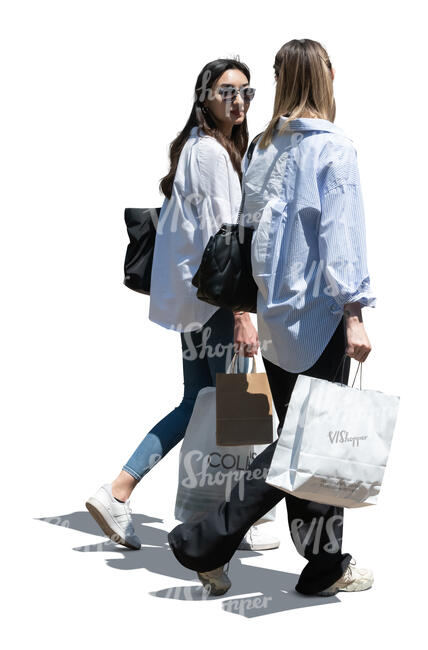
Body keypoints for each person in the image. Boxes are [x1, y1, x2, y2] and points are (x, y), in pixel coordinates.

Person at [168, 38, 377, 597]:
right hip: (319, 318)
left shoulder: (264, 146)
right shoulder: (336, 148)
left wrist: (248, 310)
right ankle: (205, 543)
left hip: (275, 317)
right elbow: (343, 240)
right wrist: (354, 312)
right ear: (325, 75)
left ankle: (324, 564)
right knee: (305, 447)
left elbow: (247, 237)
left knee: (304, 440)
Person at [86, 57, 279, 552]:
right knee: (243, 407)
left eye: (246, 92)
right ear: (204, 99)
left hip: (193, 304)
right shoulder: (212, 155)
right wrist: (242, 313)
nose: (238, 100)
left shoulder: (197, 148)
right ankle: (236, 516)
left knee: (203, 404)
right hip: (216, 306)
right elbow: (225, 237)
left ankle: (124, 491)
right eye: (226, 91)